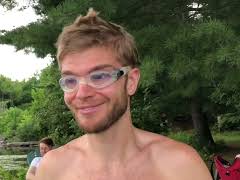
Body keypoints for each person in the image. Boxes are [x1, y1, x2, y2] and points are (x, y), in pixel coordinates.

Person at [34, 8, 212, 180]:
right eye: (70, 80)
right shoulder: (54, 169)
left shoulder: (179, 166)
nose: (81, 94)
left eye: (99, 76)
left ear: (131, 81)